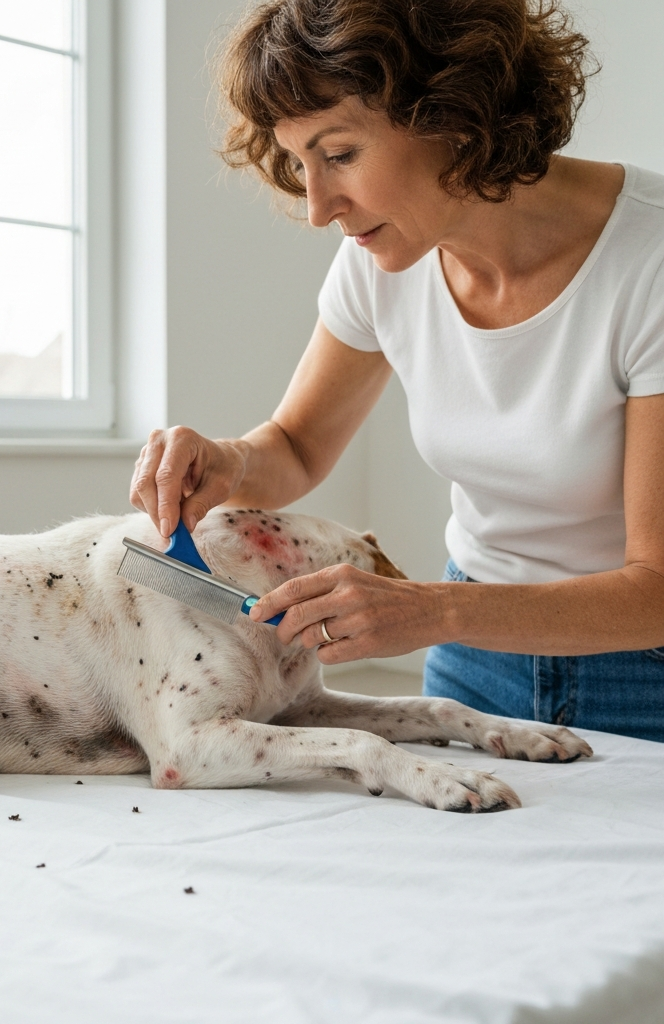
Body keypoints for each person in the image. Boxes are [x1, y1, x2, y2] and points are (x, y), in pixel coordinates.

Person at [129, 0, 664, 743]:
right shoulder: (383, 263)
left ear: (454, 111)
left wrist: (428, 610)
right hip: (474, 660)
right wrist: (228, 459)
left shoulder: (650, 261)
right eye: (297, 163)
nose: (317, 208)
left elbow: (657, 588)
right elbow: (296, 445)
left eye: (339, 154)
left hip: (645, 672)